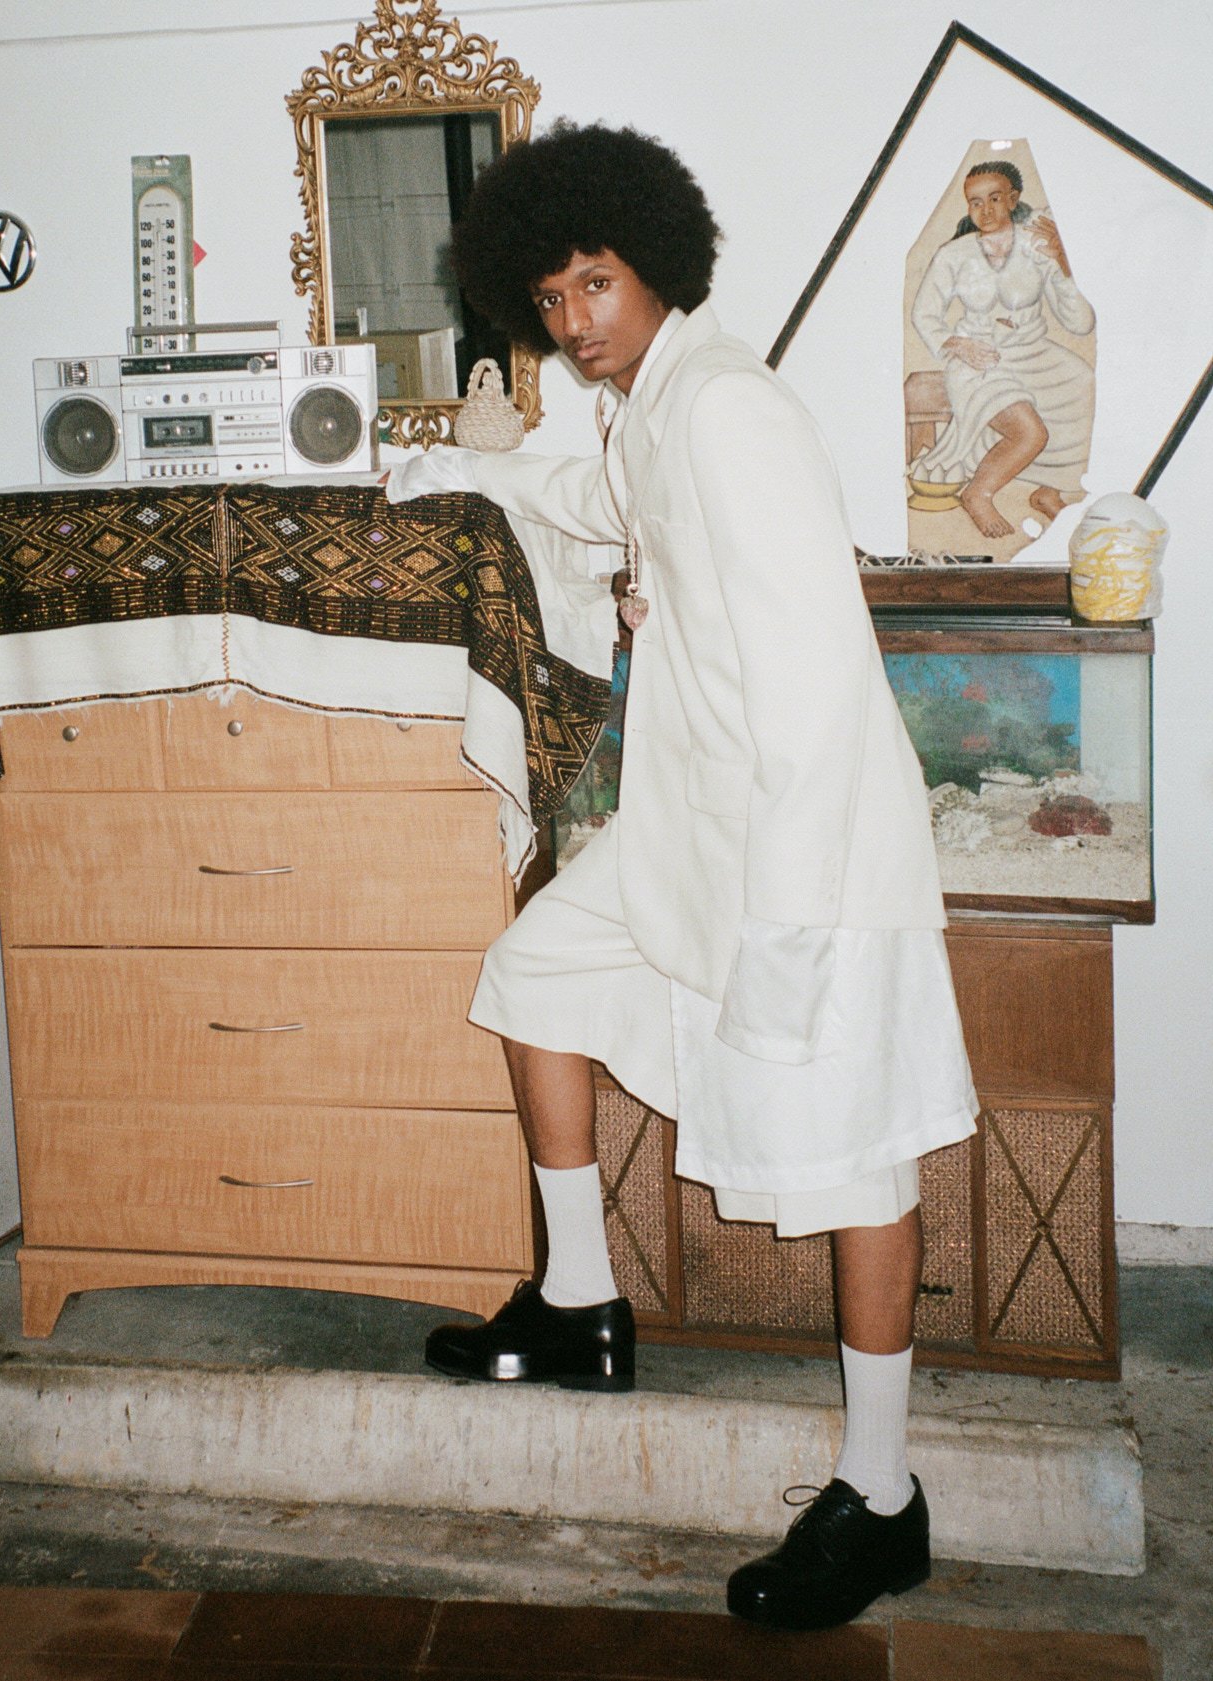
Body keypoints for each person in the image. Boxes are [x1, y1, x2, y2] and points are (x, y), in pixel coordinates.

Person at [384, 121, 978, 1632]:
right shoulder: (648, 407)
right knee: (531, 974)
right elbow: (617, 511)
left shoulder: (727, 408)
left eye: (596, 282)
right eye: (552, 296)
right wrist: (474, 474)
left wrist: (791, 921)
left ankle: (883, 1497)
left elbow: (817, 683)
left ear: (656, 264)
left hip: (803, 857)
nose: (575, 319)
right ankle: (581, 1301)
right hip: (688, 834)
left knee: (852, 1162)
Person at [909, 159, 1095, 540]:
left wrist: (1063, 262)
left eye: (995, 198)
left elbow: (1080, 323)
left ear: (1013, 199)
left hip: (1033, 353)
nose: (986, 210)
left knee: (1082, 380)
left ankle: (1050, 490)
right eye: (975, 202)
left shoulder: (1037, 247)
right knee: (1030, 433)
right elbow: (924, 315)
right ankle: (979, 492)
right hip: (979, 360)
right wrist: (958, 345)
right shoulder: (953, 255)